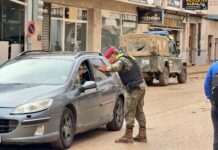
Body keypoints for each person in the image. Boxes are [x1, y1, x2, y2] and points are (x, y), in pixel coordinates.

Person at [98, 47, 147, 143]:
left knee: (128, 111)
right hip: (140, 86)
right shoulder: (127, 57)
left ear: (113, 56)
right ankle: (142, 135)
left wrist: (109, 68)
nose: (109, 62)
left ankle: (128, 136)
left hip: (134, 88)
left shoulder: (122, 60)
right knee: (138, 111)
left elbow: (118, 65)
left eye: (109, 60)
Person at [204, 62, 218, 150]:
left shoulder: (213, 66)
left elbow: (206, 84)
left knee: (217, 134)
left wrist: (210, 98)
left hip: (216, 105)